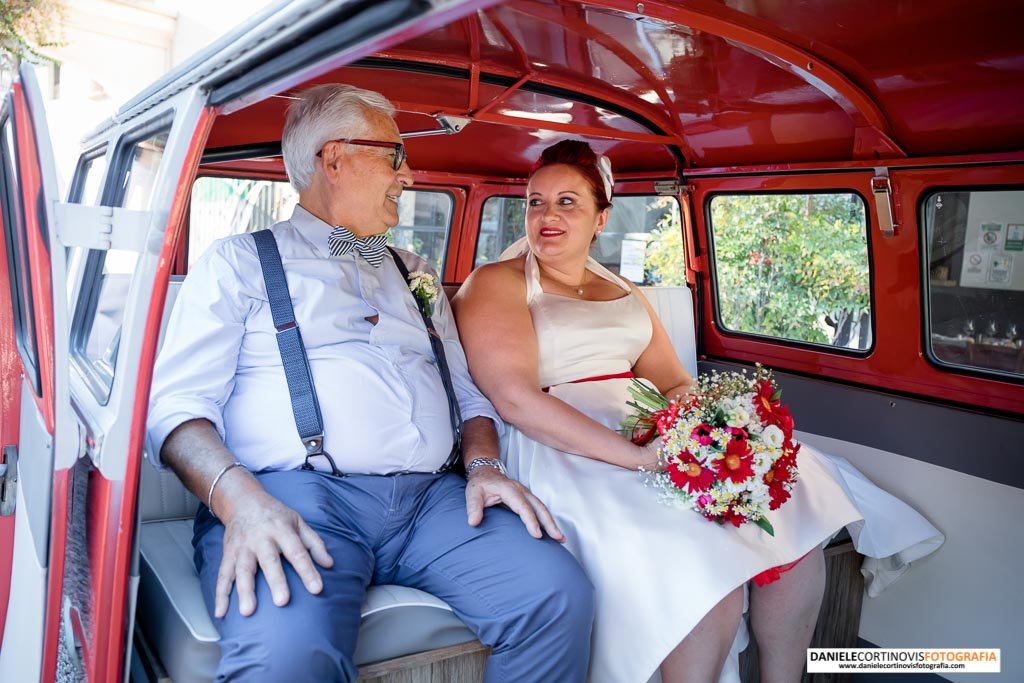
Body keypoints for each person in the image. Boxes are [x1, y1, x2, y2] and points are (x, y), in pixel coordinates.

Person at [146, 86, 595, 682]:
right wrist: (242, 503)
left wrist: (485, 466)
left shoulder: (415, 273)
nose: (408, 173)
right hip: (294, 499)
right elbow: (176, 411)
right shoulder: (238, 262)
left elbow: (468, 395)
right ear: (333, 160)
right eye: (395, 153)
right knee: (286, 658)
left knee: (558, 595)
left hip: (434, 503)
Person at [453, 140, 943, 683]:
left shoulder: (623, 290)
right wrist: (638, 458)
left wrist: (710, 435)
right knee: (702, 557)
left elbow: (675, 382)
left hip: (648, 427)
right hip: (560, 444)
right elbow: (516, 399)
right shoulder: (495, 283)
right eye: (535, 202)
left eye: (567, 202)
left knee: (794, 508)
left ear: (601, 218)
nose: (547, 216)